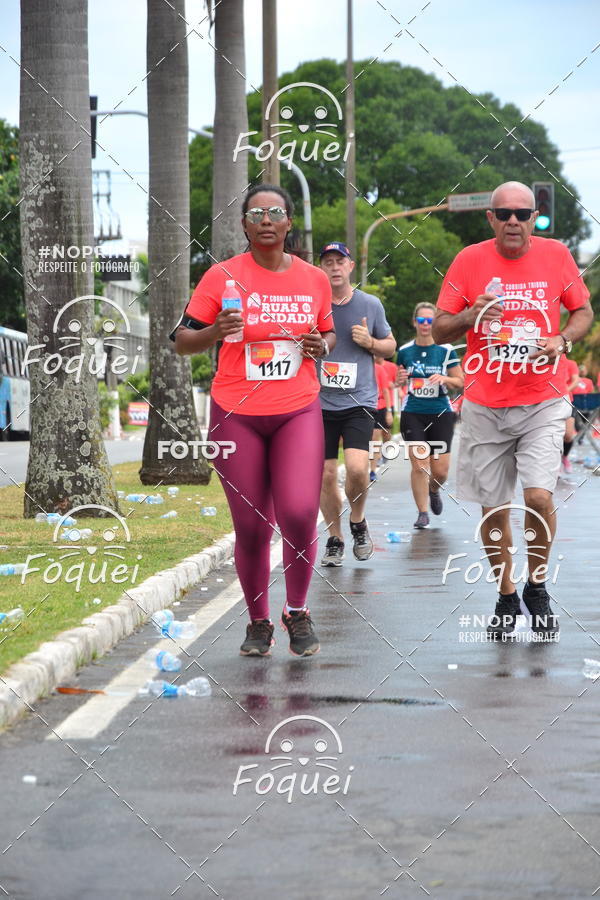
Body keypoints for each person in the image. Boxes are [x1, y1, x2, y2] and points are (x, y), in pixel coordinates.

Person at [172, 184, 335, 657]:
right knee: (251, 525)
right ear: (244, 225)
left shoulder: (313, 279)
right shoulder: (221, 277)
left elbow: (328, 334)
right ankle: (259, 621)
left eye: (275, 212)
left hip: (297, 408)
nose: (266, 219)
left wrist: (322, 346)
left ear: (288, 224)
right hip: (236, 412)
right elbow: (182, 340)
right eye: (256, 213)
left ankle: (297, 611)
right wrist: (213, 333)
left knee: (301, 512)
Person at [433, 180, 593, 639]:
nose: (513, 222)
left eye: (522, 213)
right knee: (493, 508)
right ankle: (506, 593)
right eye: (503, 214)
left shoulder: (556, 255)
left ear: (534, 216)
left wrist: (560, 340)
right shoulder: (469, 261)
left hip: (542, 398)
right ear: (490, 218)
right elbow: (442, 327)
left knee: (539, 496)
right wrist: (469, 316)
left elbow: (582, 312)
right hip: (485, 403)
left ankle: (537, 586)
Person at [317, 242, 396, 566]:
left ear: (350, 267)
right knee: (323, 475)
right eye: (328, 262)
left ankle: (358, 521)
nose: (334, 267)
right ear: (321, 268)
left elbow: (390, 347)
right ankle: (335, 538)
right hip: (318, 402)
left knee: (358, 470)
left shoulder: (370, 304)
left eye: (340, 262)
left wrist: (371, 342)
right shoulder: (313, 303)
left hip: (358, 401)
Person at [396, 301, 464, 528]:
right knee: (419, 464)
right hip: (413, 412)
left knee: (440, 471)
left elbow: (461, 381)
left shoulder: (446, 350)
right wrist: (400, 380)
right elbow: (399, 379)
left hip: (441, 412)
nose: (426, 325)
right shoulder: (404, 351)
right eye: (422, 320)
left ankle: (434, 489)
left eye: (430, 320)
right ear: (415, 322)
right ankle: (422, 512)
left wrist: (445, 379)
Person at [369, 357, 394, 482]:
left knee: (375, 438)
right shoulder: (359, 367)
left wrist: (389, 411)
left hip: (379, 406)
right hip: (361, 407)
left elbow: (385, 390)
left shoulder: (379, 369)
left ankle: (372, 471)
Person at [562, 356, 581, 473]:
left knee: (568, 435)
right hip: (545, 401)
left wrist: (565, 391)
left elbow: (576, 380)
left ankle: (564, 457)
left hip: (566, 400)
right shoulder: (544, 360)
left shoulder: (571, 363)